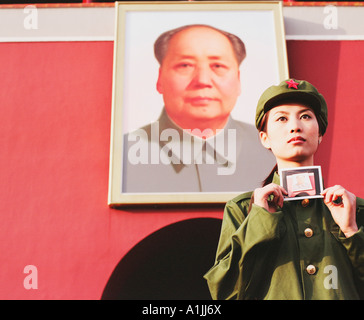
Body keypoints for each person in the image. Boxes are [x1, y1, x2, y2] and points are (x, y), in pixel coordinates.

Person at [204, 79, 364, 299]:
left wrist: (351, 232)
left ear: (320, 134)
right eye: (281, 118)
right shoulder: (243, 209)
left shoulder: (353, 209)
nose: (295, 126)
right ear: (265, 138)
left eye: (306, 116)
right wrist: (260, 221)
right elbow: (225, 292)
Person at [123, 24, 275, 193]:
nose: (202, 80)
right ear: (160, 79)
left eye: (218, 66)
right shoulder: (125, 155)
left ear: (238, 80)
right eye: (185, 65)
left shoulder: (272, 150)